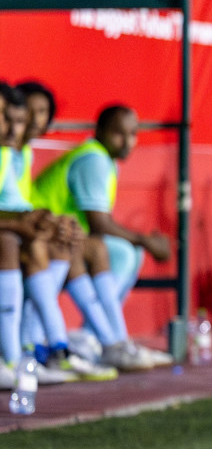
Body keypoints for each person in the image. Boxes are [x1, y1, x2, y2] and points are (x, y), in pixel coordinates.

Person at [31, 105, 175, 365]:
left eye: (133, 134)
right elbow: (99, 224)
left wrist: (144, 242)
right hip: (41, 233)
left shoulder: (104, 160)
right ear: (100, 131)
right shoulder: (94, 159)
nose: (128, 141)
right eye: (119, 133)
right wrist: (147, 241)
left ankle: (101, 337)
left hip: (61, 234)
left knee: (121, 251)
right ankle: (99, 338)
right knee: (118, 251)